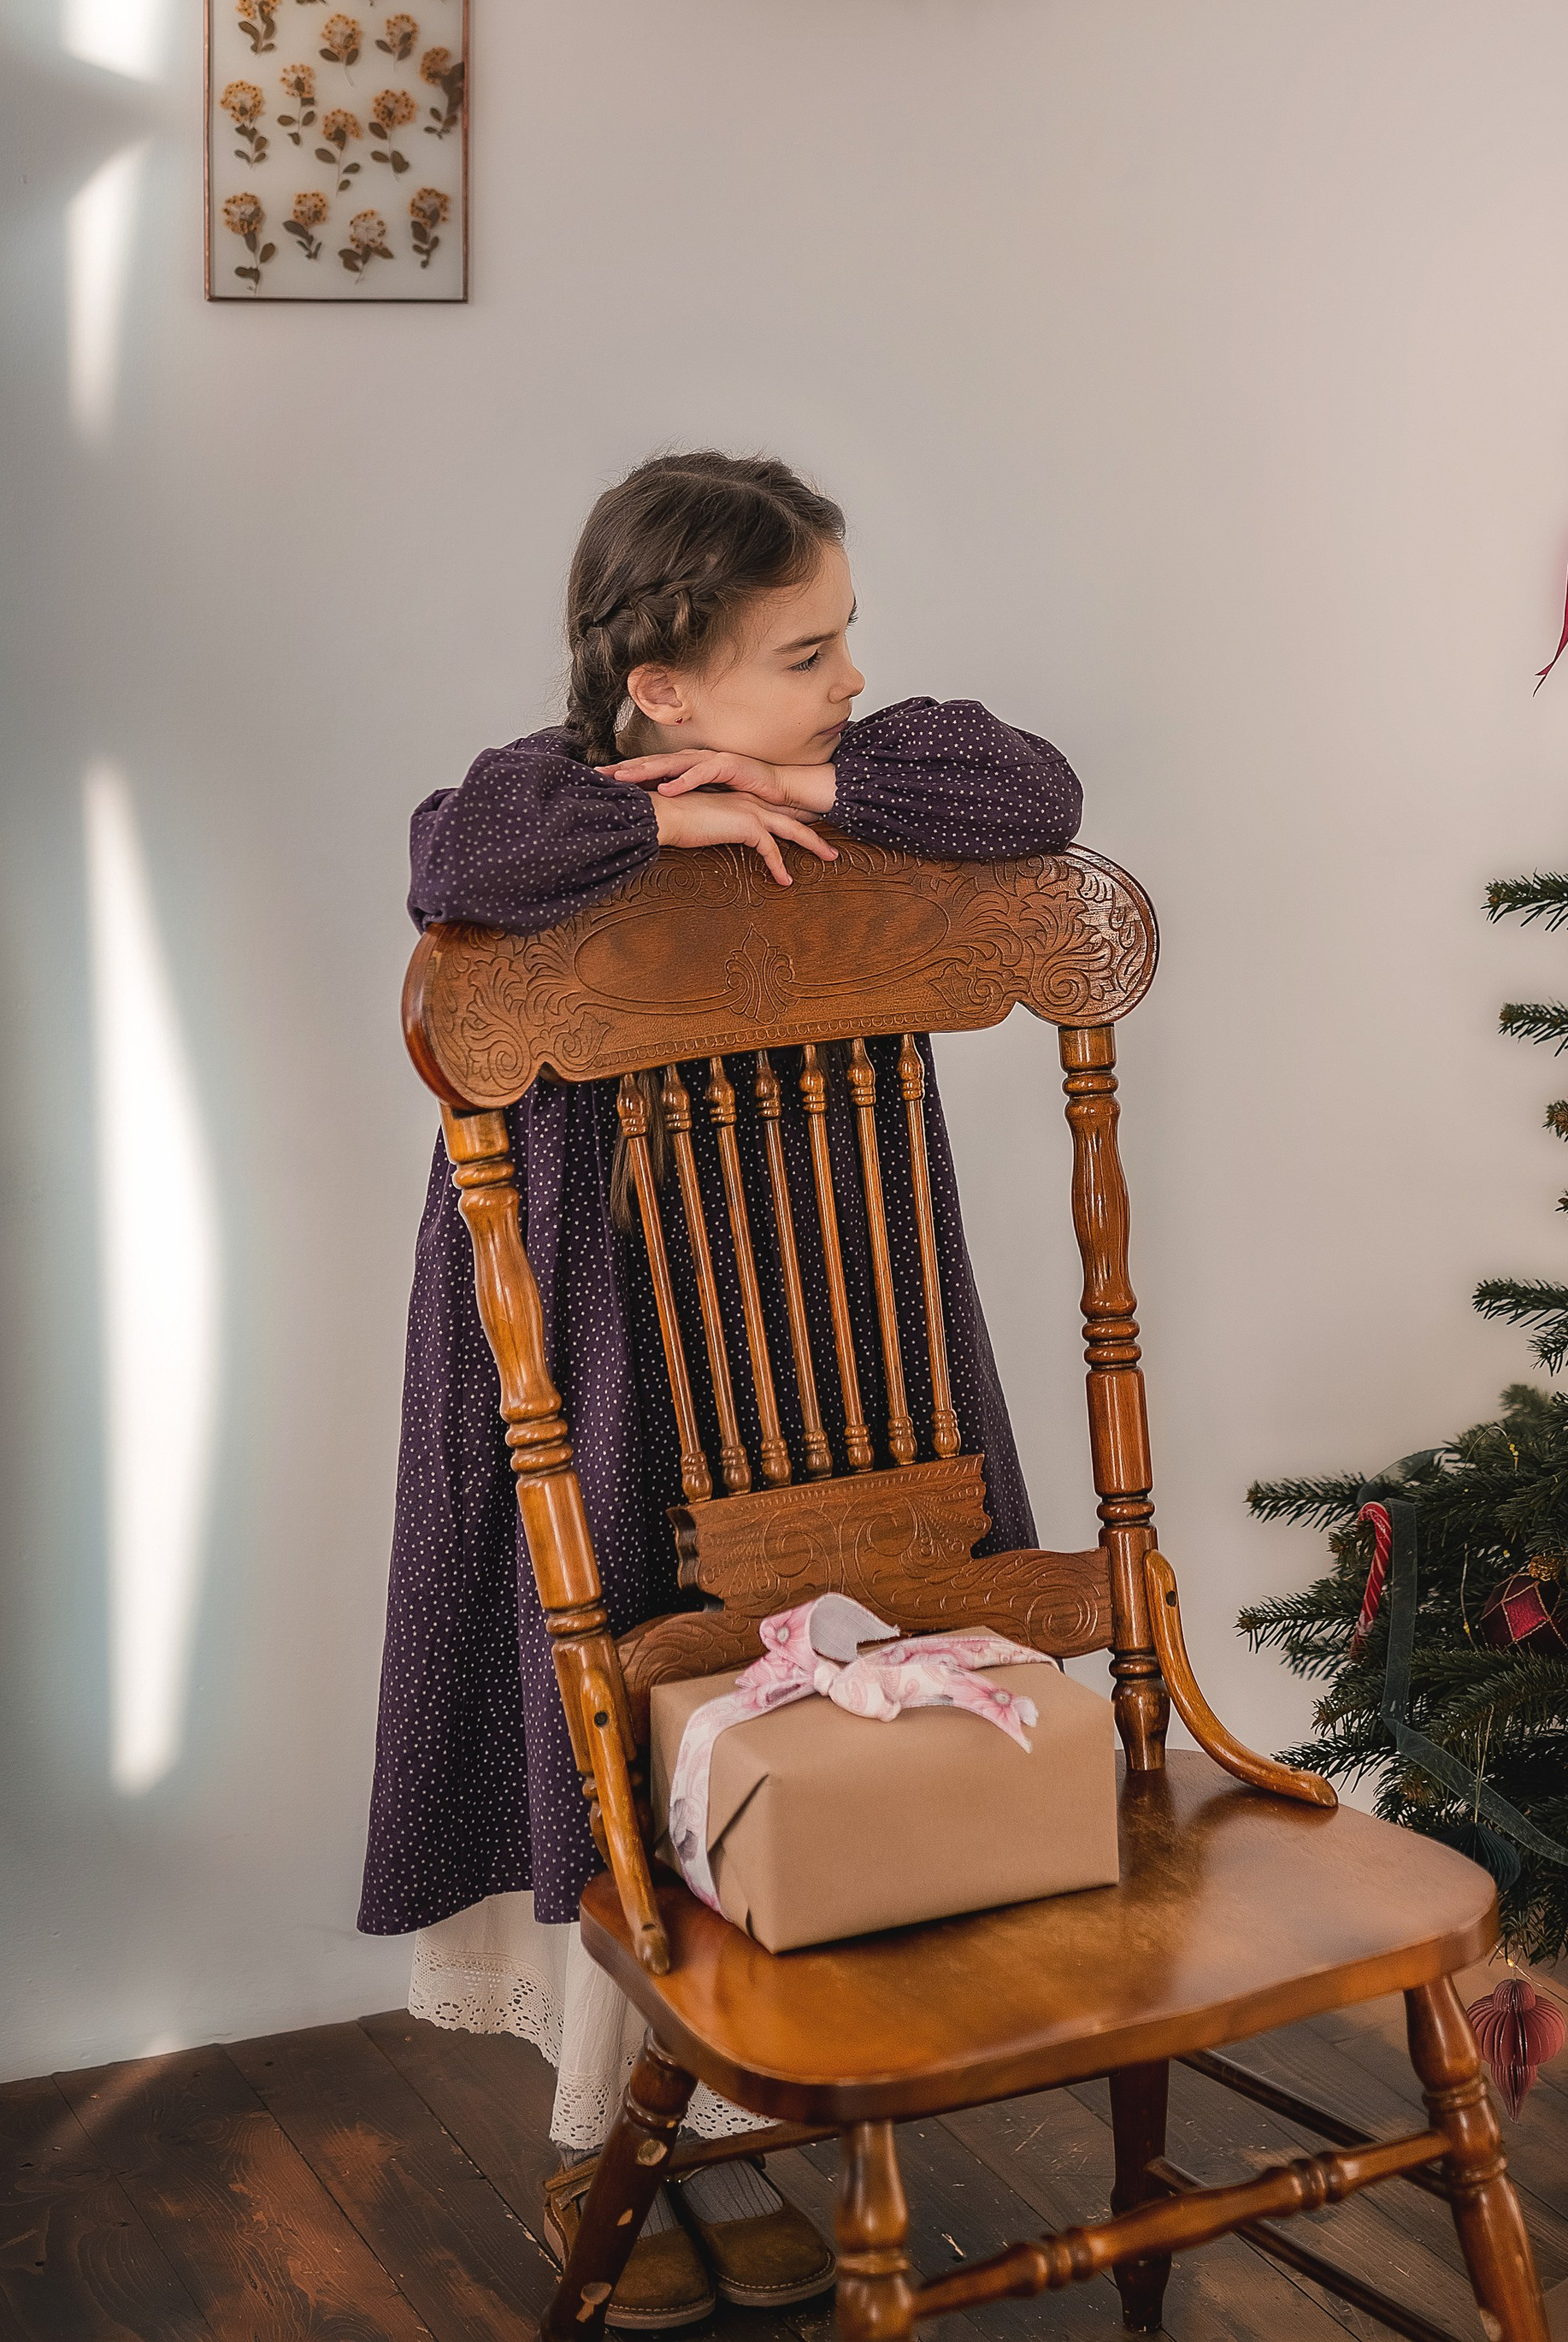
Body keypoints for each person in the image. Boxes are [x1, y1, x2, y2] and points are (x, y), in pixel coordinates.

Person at [360, 451, 1082, 2327]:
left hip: (829, 1300)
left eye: (847, 639)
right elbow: (455, 859)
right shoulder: (547, 802)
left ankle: (772, 2086)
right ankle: (616, 2124)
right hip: (611, 1308)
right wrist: (660, 822)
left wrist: (803, 781)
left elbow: (1035, 793)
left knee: (825, 1649)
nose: (852, 676)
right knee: (635, 1644)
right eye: (805, 654)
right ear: (662, 685)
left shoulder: (882, 776)